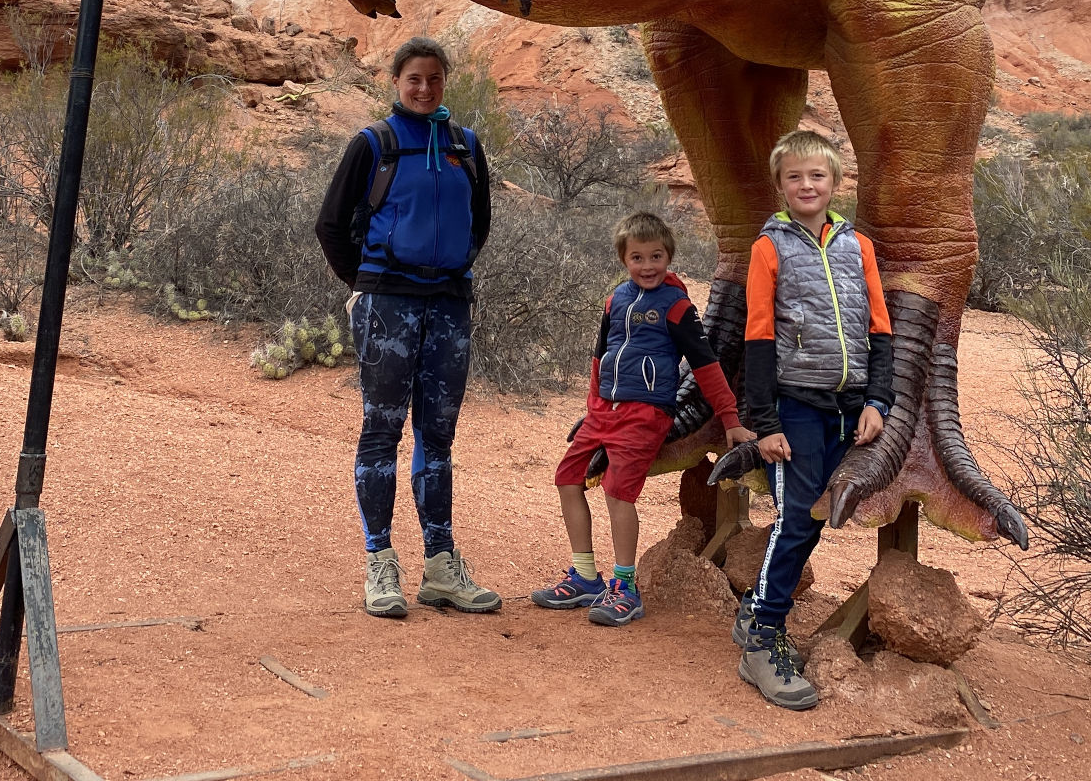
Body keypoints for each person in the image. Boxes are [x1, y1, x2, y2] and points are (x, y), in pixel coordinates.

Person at [315, 36, 501, 619]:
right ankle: (379, 563)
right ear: (396, 82)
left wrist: (452, 270)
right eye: (414, 79)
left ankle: (442, 567)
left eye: (435, 79)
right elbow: (330, 225)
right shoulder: (375, 144)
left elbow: (480, 224)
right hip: (387, 303)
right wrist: (365, 283)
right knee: (381, 430)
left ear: (446, 82)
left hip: (447, 303)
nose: (425, 89)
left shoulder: (466, 147)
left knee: (438, 437)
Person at [530, 211, 758, 626]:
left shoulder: (677, 306)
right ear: (624, 259)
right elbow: (600, 358)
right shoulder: (615, 299)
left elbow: (706, 365)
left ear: (668, 257)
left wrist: (729, 418)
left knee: (618, 492)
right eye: (638, 257)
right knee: (568, 478)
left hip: (646, 413)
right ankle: (584, 576)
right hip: (605, 411)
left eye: (656, 256)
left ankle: (625, 587)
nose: (648, 266)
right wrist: (593, 407)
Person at [734, 129, 894, 711]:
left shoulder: (859, 247)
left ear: (834, 183)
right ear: (780, 186)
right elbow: (756, 335)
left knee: (818, 517)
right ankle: (763, 639)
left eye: (817, 175)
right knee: (797, 517)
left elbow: (880, 331)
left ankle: (755, 609)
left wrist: (878, 401)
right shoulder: (768, 248)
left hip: (849, 405)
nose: (807, 185)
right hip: (794, 405)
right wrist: (764, 422)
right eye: (795, 176)